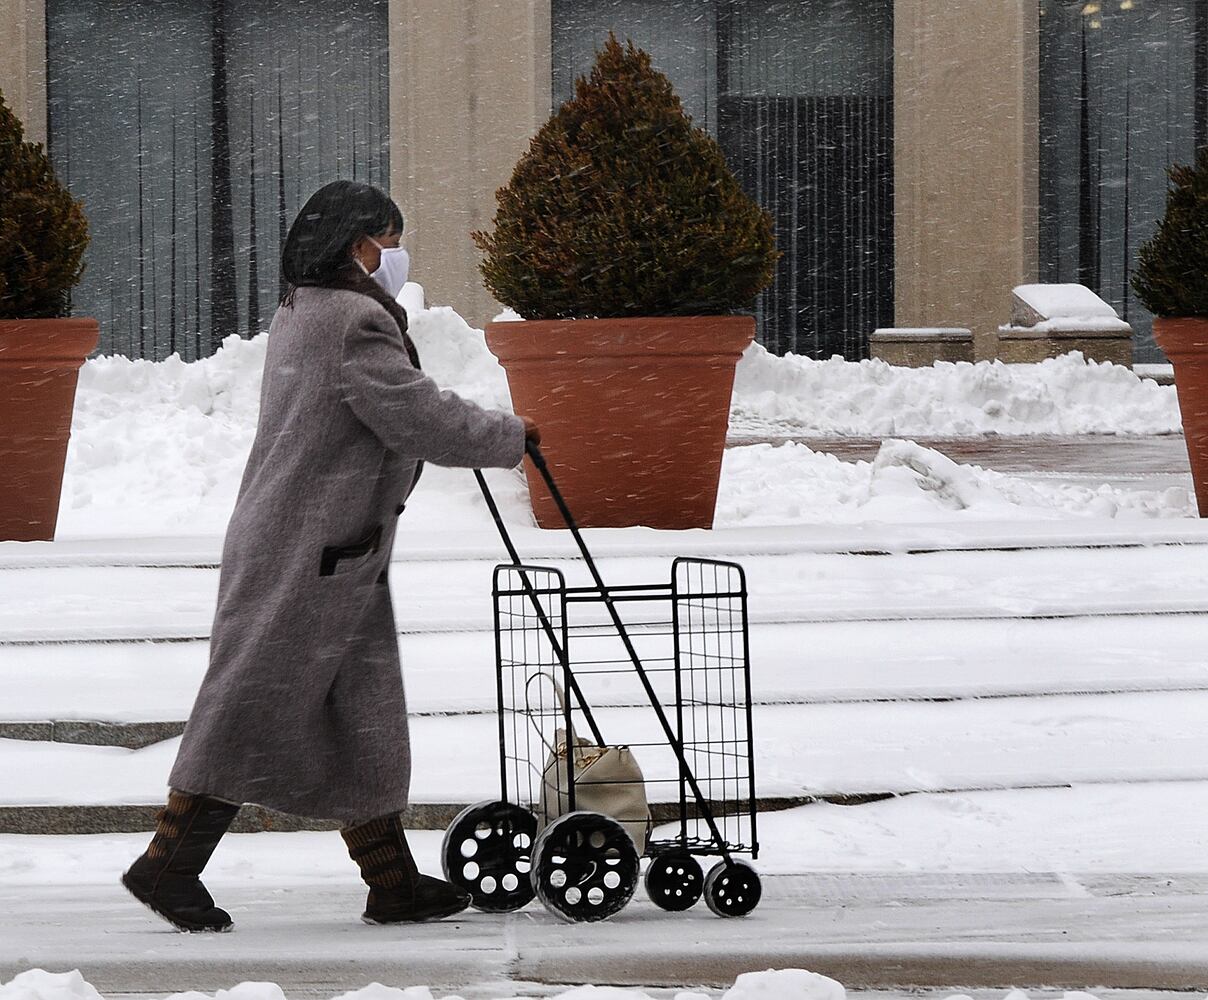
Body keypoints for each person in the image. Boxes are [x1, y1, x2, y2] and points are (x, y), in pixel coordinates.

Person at [121, 180, 539, 932]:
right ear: (357, 245)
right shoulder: (352, 321)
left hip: (328, 545)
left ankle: (392, 883)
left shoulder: (305, 307)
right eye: (389, 236)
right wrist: (508, 436)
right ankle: (167, 866)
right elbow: (417, 416)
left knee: (362, 715)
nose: (397, 252)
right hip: (307, 550)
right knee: (250, 703)